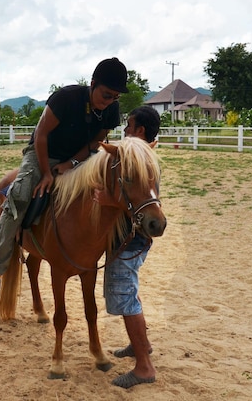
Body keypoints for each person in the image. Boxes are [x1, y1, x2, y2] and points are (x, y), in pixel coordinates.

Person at [0, 57, 129, 293]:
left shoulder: (111, 109)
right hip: (42, 153)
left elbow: (95, 142)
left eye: (115, 97)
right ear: (93, 83)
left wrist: (71, 163)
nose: (110, 101)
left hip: (79, 157)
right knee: (18, 195)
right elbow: (40, 135)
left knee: (113, 185)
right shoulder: (65, 98)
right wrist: (48, 174)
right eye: (106, 94)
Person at [101, 106, 161, 389]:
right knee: (131, 294)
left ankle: (144, 368)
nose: (125, 130)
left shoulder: (135, 158)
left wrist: (108, 200)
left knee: (127, 300)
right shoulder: (148, 156)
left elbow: (133, 199)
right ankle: (142, 346)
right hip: (139, 240)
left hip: (129, 241)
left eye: (129, 126)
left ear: (139, 131)